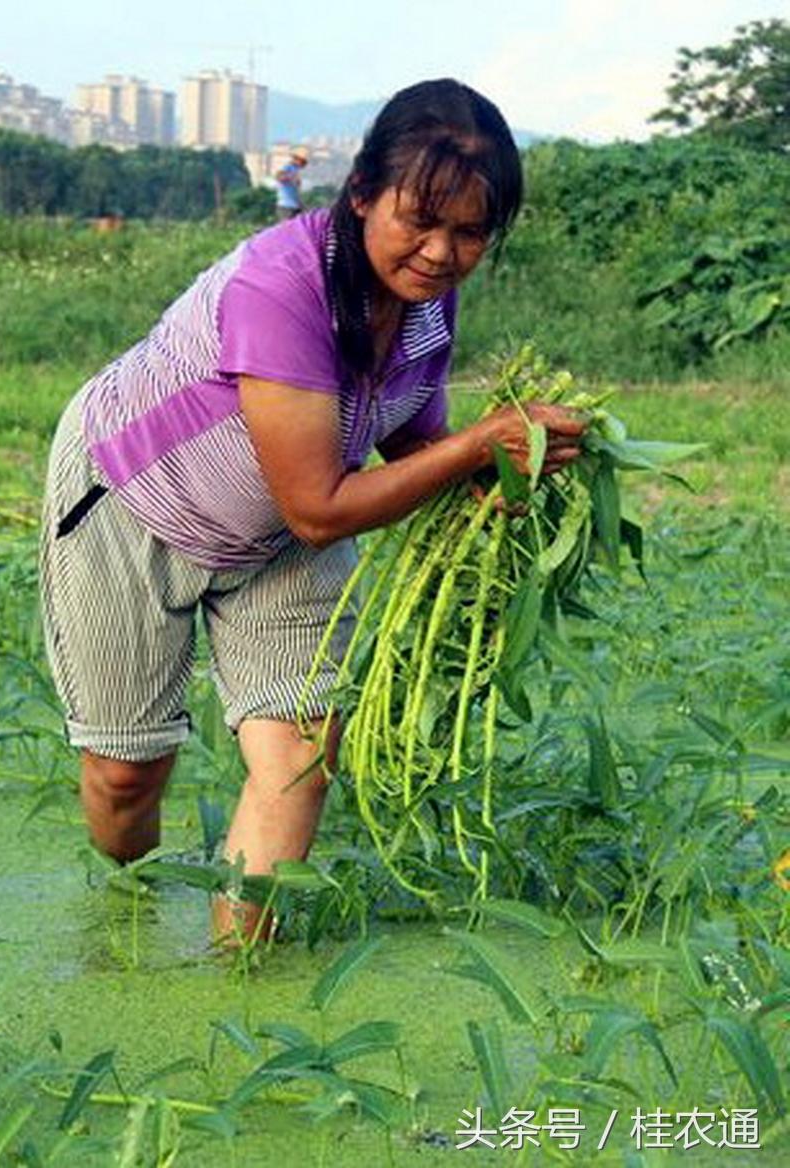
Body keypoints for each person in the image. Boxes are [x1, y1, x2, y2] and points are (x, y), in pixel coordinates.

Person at [39, 79, 585, 945]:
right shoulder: (280, 288)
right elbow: (322, 507)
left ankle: (239, 977)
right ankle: (130, 912)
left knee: (299, 755)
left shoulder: (424, 301)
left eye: (470, 232)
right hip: (135, 504)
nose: (441, 253)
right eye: (421, 220)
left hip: (278, 541)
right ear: (362, 195)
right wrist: (480, 444)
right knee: (125, 778)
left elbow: (412, 445)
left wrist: (505, 477)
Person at [273, 146, 309, 219]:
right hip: (286, 206)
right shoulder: (288, 168)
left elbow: (295, 192)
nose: (302, 164)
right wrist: (291, 177)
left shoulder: (296, 170)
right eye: (301, 161)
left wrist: (301, 205)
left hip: (295, 206)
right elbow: (279, 177)